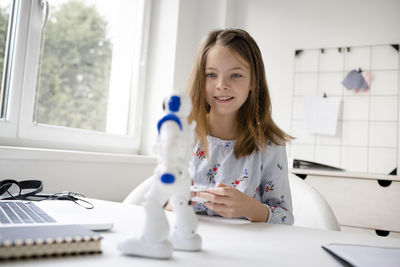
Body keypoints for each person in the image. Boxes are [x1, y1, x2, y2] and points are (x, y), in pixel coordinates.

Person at [186, 28, 294, 224]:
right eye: (211, 75)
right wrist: (175, 201)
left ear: (254, 81)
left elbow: (285, 217)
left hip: (247, 248)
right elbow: (158, 203)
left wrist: (252, 208)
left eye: (235, 75)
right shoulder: (182, 134)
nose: (222, 84)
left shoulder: (269, 144)